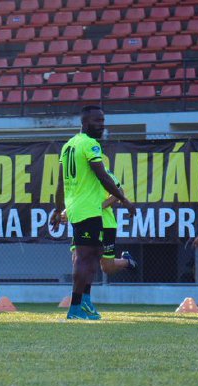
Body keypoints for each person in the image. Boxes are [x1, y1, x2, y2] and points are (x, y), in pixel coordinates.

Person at [50, 105, 136, 320]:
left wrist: (58, 209)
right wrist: (124, 199)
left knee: (92, 256)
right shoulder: (90, 145)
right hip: (88, 209)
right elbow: (103, 177)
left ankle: (83, 304)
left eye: (103, 121)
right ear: (85, 122)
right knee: (84, 259)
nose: (102, 126)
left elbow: (60, 182)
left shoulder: (69, 146)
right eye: (98, 121)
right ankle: (76, 307)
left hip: (78, 208)